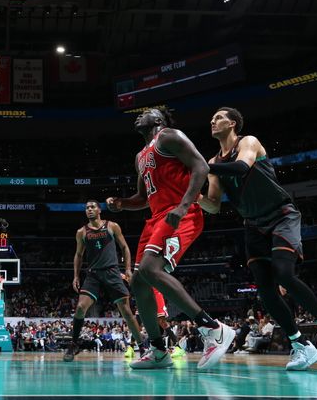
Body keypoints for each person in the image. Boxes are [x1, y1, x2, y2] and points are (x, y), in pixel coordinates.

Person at [201, 107, 317, 370]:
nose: (213, 121)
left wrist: (202, 166)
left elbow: (241, 167)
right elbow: (213, 205)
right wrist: (191, 196)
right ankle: (300, 345)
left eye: (219, 117)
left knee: (284, 273)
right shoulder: (213, 163)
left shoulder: (248, 142)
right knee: (266, 293)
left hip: (281, 215)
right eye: (212, 119)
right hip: (253, 225)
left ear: (233, 123)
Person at [106, 108, 235, 370]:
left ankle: (213, 328)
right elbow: (142, 199)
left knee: (151, 269)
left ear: (158, 120)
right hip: (156, 218)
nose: (138, 116)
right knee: (140, 283)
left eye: (145, 113)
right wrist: (122, 203)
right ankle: (158, 349)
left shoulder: (168, 136)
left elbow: (200, 165)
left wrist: (183, 206)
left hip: (180, 213)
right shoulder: (140, 156)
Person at [64, 200, 144, 362]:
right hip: (93, 274)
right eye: (87, 208)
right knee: (80, 307)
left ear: (99, 210)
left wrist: (128, 269)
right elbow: (78, 255)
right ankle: (74, 344)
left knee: (127, 312)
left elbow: (125, 248)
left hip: (112, 272)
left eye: (93, 207)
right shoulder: (82, 232)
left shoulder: (112, 226)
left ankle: (143, 346)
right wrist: (76, 276)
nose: (90, 209)